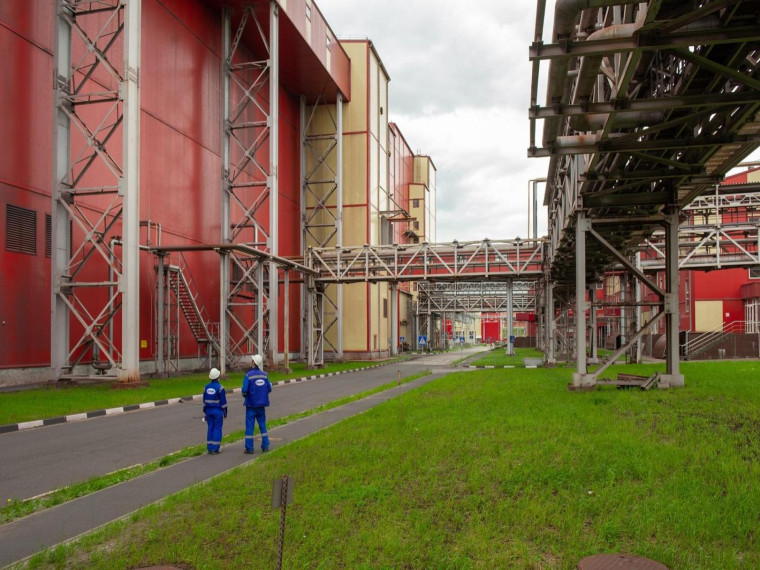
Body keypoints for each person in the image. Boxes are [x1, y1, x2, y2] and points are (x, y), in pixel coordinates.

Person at [242, 354, 272, 454]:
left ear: (254, 363)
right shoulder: (264, 375)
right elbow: (269, 388)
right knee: (262, 426)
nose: (251, 361)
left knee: (249, 427)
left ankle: (249, 448)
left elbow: (244, 390)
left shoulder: (248, 375)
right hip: (261, 406)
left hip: (251, 406)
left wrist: (245, 394)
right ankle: (266, 445)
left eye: (252, 360)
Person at [202, 367, 227, 454]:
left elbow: (204, 401)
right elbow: (224, 403)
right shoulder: (220, 388)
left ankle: (209, 448)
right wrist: (225, 413)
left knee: (210, 428)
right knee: (217, 428)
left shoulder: (206, 387)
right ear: (218, 376)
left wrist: (205, 412)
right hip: (218, 412)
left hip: (208, 411)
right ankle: (215, 448)